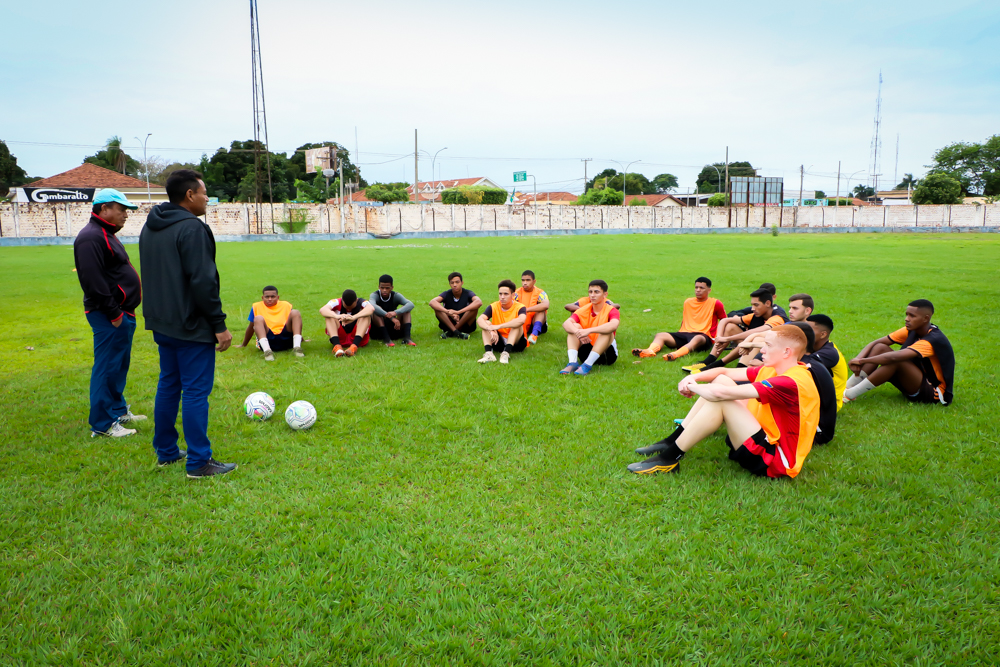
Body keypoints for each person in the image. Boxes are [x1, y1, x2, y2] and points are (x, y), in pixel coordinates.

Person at [139, 169, 236, 477]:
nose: (208, 198)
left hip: (161, 322)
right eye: (204, 192)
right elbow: (203, 281)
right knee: (195, 391)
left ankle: (166, 452)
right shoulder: (192, 228)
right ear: (190, 195)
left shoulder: (150, 226)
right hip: (191, 325)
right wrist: (218, 325)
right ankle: (198, 462)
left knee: (168, 384)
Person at [629, 325, 820, 478]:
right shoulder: (776, 368)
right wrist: (693, 378)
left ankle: (669, 458)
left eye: (768, 345)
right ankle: (672, 442)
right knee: (721, 381)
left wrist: (692, 387)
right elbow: (725, 372)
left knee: (722, 399)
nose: (761, 349)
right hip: (763, 438)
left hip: (774, 461)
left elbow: (722, 395)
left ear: (787, 352)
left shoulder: (791, 381)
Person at [73, 188, 144, 439]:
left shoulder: (106, 234)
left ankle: (117, 409)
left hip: (122, 312)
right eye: (122, 209)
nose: (126, 214)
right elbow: (92, 280)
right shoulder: (91, 237)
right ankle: (103, 424)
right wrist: (114, 314)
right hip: (109, 314)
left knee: (119, 364)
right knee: (106, 367)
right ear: (104, 209)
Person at [844, 299, 954, 405]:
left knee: (896, 360)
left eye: (912, 316)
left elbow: (893, 358)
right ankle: (846, 387)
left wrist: (863, 360)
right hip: (913, 382)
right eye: (907, 314)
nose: (907, 319)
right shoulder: (911, 330)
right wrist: (858, 359)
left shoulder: (932, 340)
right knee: (880, 347)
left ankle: (848, 394)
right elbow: (876, 342)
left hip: (931, 392)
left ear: (926, 318)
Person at [683, 287, 787, 373]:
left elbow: (756, 332)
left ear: (768, 303)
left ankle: (731, 368)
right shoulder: (757, 313)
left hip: (770, 349)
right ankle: (708, 361)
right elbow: (725, 320)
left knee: (755, 338)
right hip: (752, 344)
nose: (752, 308)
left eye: (756, 305)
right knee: (730, 327)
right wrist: (719, 338)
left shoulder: (778, 317)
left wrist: (728, 338)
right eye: (752, 305)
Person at [632, 276, 726, 362]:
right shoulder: (688, 302)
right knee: (660, 335)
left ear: (709, 290)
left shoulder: (715, 303)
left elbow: (724, 320)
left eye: (701, 288)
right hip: (684, 333)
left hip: (703, 336)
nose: (698, 290)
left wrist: (721, 337)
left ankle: (675, 355)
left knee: (697, 338)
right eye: (696, 287)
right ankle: (649, 351)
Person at [730, 293, 813, 368]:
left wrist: (752, 345)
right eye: (790, 308)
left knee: (760, 344)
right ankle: (740, 371)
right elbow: (760, 334)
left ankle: (739, 373)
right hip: (774, 357)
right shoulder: (788, 324)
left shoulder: (809, 330)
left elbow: (782, 348)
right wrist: (745, 343)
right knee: (758, 338)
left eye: (795, 308)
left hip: (787, 364)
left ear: (807, 311)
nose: (790, 311)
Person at [560, 280, 620, 376]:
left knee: (607, 331)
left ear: (605, 294)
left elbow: (614, 325)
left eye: (596, 292)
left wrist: (588, 331)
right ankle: (573, 362)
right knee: (574, 326)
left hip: (607, 355)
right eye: (590, 292)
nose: (592, 295)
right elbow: (566, 323)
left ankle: (587, 365)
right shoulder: (584, 309)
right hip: (586, 350)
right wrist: (578, 333)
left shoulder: (611, 310)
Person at [236, 285, 304, 360]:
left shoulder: (286, 305)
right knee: (258, 318)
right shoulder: (256, 306)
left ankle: (297, 348)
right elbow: (251, 327)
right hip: (268, 339)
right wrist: (243, 344)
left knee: (295, 312)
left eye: (273, 296)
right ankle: (267, 352)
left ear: (278, 297)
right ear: (262, 298)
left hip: (286, 339)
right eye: (267, 297)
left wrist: (301, 339)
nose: (270, 299)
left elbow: (294, 324)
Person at [804, 314, 849, 411]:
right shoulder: (816, 345)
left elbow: (800, 365)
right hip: (816, 397)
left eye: (809, 330)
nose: (804, 332)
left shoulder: (829, 353)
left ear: (823, 334)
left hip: (827, 406)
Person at [477, 280, 528, 364]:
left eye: (505, 294)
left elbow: (522, 320)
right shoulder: (493, 306)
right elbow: (480, 319)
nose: (502, 297)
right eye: (500, 294)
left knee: (517, 323)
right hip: (498, 340)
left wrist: (498, 327)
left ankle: (506, 353)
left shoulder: (520, 307)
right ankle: (489, 354)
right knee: (486, 323)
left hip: (517, 343)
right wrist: (490, 329)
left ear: (513, 295)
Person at [320, 289, 373, 357]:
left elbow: (371, 309)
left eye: (351, 306)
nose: (349, 309)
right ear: (342, 300)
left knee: (366, 316)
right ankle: (337, 347)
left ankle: (354, 347)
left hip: (359, 339)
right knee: (329, 316)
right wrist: (337, 316)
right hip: (341, 337)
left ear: (356, 300)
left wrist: (354, 317)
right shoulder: (336, 302)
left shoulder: (362, 302)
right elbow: (322, 310)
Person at [430, 272, 482, 339]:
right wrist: (448, 312)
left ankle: (452, 332)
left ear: (462, 283)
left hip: (465, 325)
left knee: (474, 308)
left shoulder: (468, 293)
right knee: (437, 309)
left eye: (457, 282)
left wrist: (458, 312)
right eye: (452, 283)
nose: (455, 285)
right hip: (449, 324)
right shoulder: (446, 294)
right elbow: (432, 302)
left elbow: (479, 302)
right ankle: (457, 333)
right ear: (449, 284)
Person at [369, 274, 416, 347]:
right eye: (382, 288)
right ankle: (386, 339)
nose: (384, 290)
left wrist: (395, 312)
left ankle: (407, 338)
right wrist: (391, 318)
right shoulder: (374, 295)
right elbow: (372, 305)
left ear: (392, 287)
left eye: (387, 288)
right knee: (374, 311)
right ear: (379, 287)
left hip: (394, 328)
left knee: (406, 310)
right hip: (379, 331)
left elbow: (411, 304)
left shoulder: (395, 295)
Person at [514, 270, 549, 345]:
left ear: (534, 281)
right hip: (522, 322)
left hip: (535, 322)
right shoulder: (516, 293)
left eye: (528, 280)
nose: (525, 283)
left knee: (541, 311)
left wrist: (526, 310)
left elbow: (546, 305)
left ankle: (534, 334)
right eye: (523, 280)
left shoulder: (540, 292)